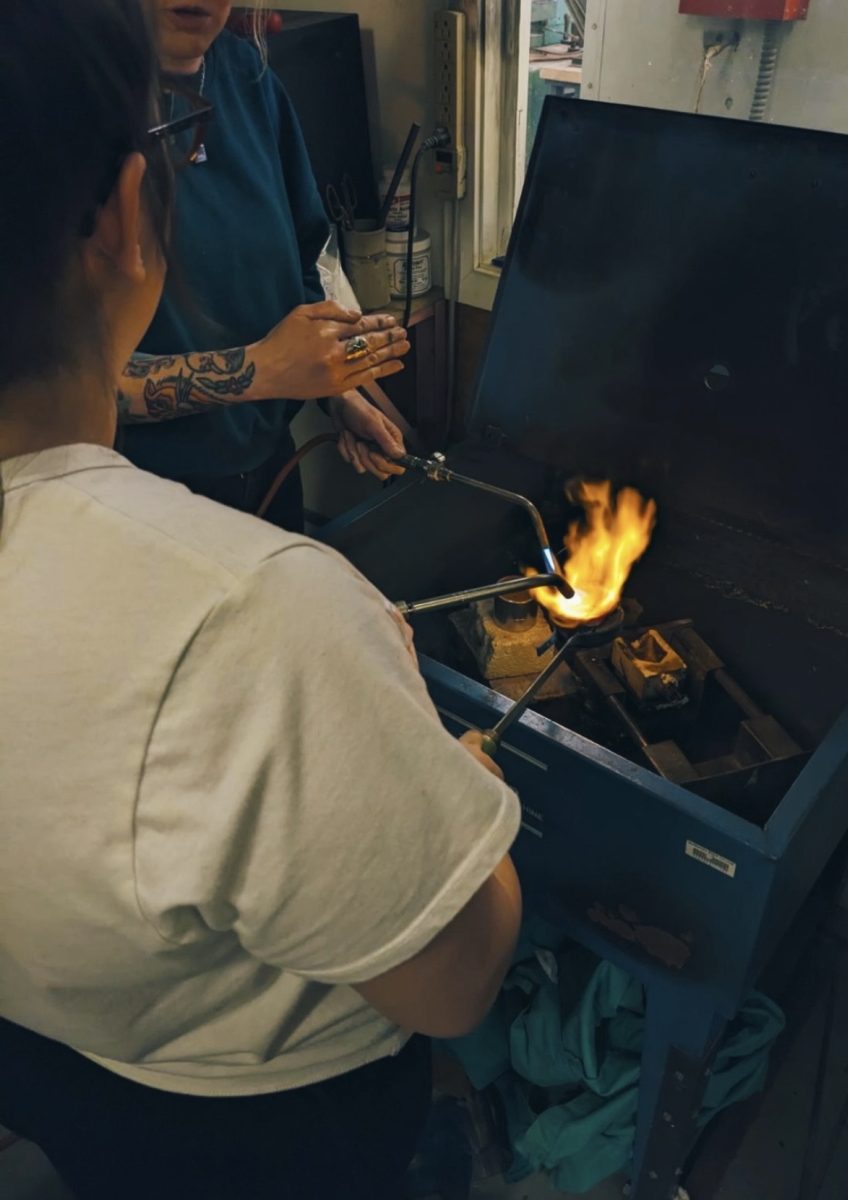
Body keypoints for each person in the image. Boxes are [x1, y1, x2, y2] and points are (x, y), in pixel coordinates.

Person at [0, 3, 522, 1198]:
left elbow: (300, 262)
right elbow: (454, 976)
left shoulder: (244, 75)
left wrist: (324, 379)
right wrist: (464, 788)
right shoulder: (258, 619)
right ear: (130, 217)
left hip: (54, 1060)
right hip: (263, 1133)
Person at [117, 0, 410, 532]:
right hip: (138, 501)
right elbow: (65, 383)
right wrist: (266, 370)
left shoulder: (250, 79)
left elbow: (298, 268)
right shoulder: (58, 103)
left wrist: (333, 388)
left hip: (269, 474)